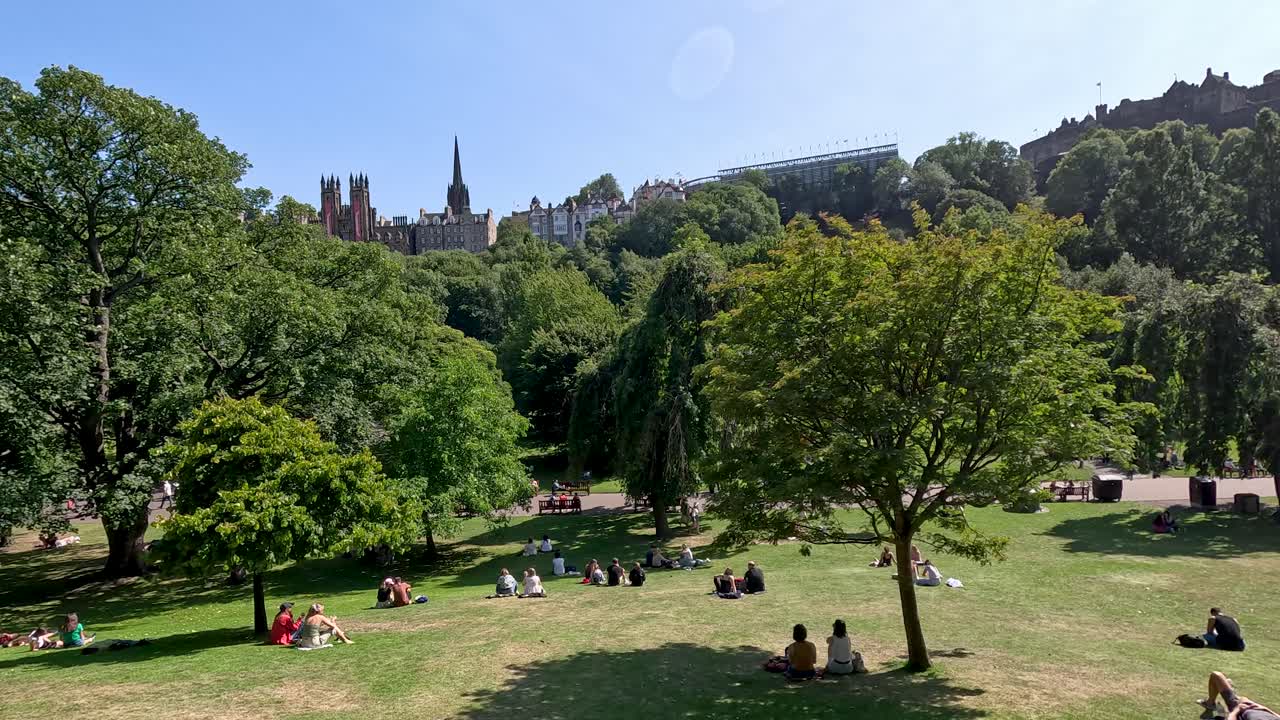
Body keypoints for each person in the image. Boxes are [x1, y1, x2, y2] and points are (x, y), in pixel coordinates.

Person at [1199, 671, 1278, 720]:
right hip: (1252, 707)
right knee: (1243, 699)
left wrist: (1237, 710)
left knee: (1216, 675)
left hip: (1239, 709)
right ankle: (1232, 693)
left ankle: (1214, 704)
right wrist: (1264, 708)